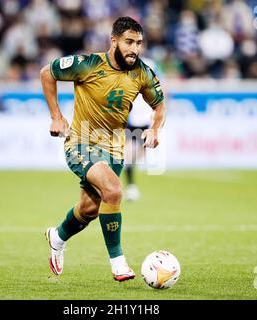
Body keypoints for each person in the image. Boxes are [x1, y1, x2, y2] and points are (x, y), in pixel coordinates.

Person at [39, 16, 166, 282]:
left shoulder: (142, 72)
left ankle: (57, 237)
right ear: (114, 41)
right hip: (81, 142)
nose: (135, 49)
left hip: (114, 149)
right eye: (129, 42)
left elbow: (159, 105)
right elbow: (46, 73)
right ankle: (118, 261)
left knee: (89, 210)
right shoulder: (88, 64)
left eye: (139, 43)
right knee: (114, 190)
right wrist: (56, 116)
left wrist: (154, 129)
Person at [124, 56, 160, 202]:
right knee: (128, 154)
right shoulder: (122, 65)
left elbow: (161, 86)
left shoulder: (150, 64)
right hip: (129, 118)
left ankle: (130, 186)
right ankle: (131, 187)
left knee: (138, 154)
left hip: (146, 119)